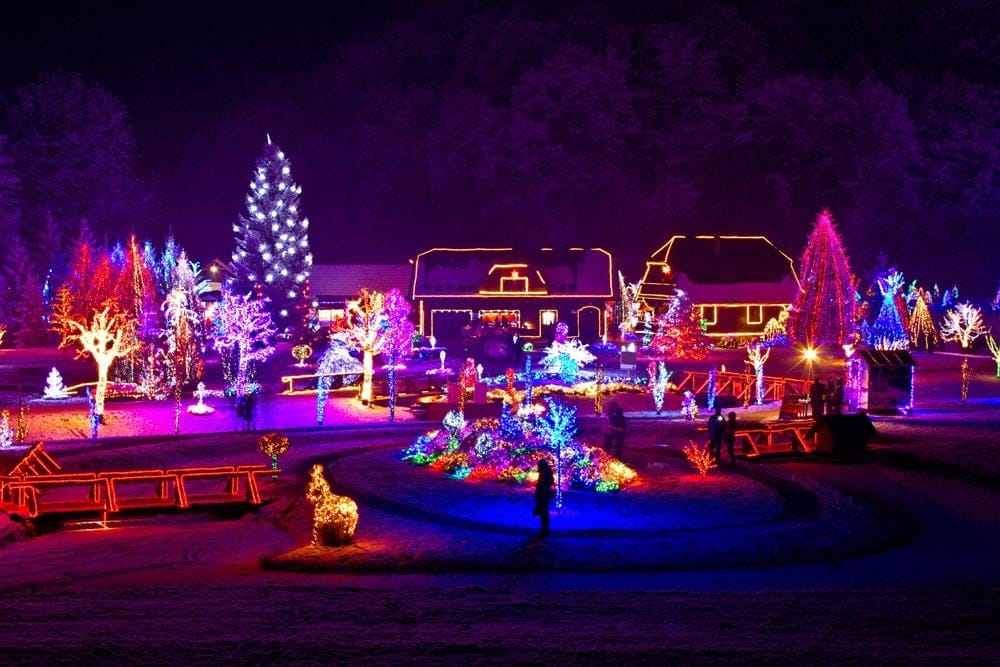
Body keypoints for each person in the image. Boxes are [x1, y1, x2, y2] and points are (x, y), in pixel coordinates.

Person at [533, 459, 555, 537]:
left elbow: (543, 485)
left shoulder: (545, 473)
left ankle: (545, 529)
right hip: (543, 495)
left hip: (543, 495)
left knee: (543, 512)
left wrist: (541, 492)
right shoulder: (546, 472)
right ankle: (545, 529)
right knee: (544, 512)